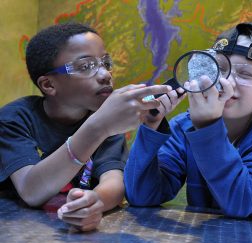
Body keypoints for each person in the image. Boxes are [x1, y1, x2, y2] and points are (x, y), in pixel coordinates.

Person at [0, 22, 171, 231]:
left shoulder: (103, 118)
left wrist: (94, 202)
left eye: (105, 63)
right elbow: (31, 190)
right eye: (85, 66)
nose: (105, 74)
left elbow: (114, 181)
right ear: (49, 85)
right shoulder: (15, 119)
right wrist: (99, 127)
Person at [124, 22, 252, 217]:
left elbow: (243, 203)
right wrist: (150, 127)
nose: (227, 82)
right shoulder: (185, 126)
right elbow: (142, 196)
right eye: (220, 68)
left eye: (245, 74)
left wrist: (207, 127)